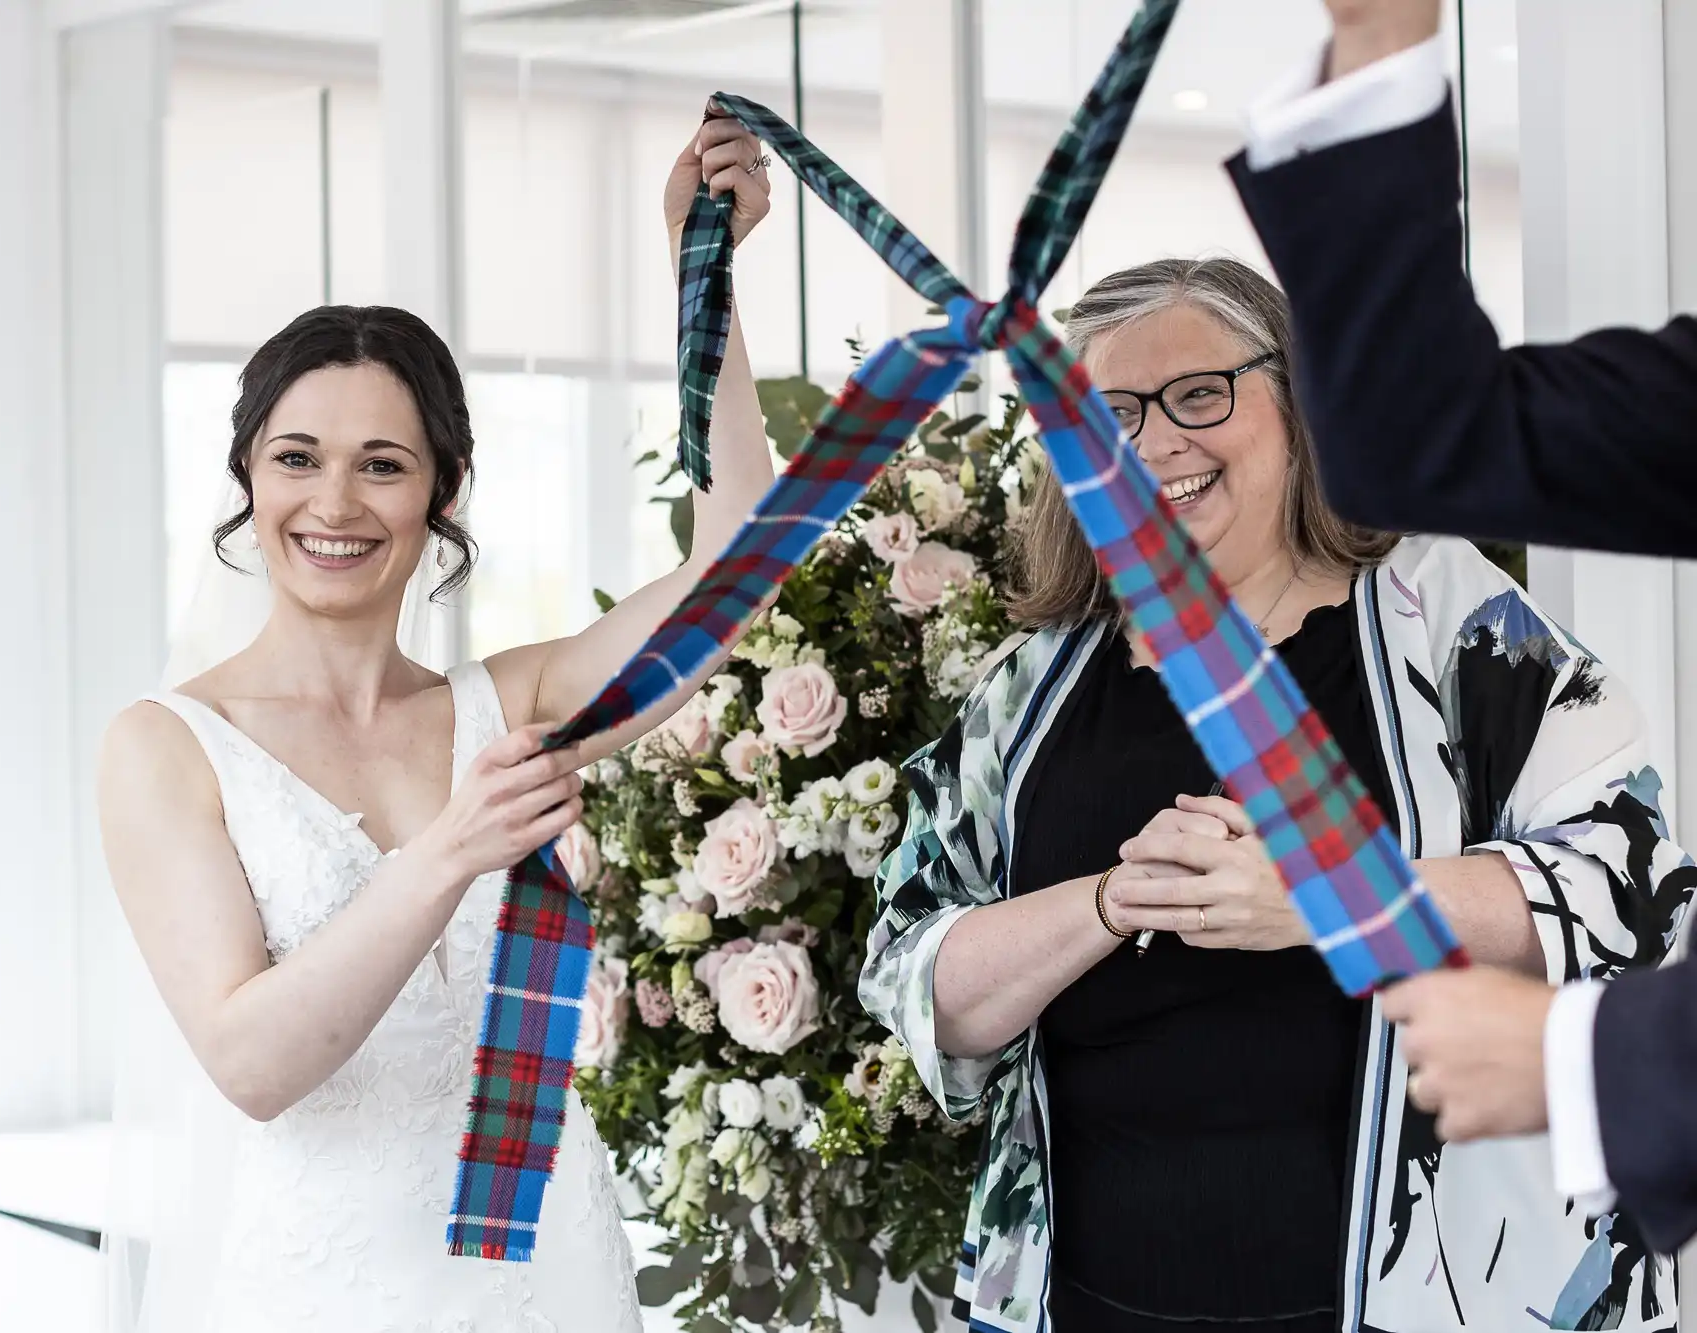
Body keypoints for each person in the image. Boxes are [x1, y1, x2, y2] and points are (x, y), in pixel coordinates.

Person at [858, 257, 1688, 1332]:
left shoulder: (1447, 621)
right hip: (1097, 1302)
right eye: (1109, 414)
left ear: (1297, 399)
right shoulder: (1032, 687)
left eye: (1198, 394)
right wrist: (1111, 900)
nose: (1154, 444)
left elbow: (1634, 881)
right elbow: (916, 971)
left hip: (1436, 1300)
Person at [95, 114, 774, 1333]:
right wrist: (449, 852)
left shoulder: (510, 710)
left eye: (383, 464)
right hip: (318, 1290)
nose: (334, 502)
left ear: (441, 491)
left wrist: (703, 280)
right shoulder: (165, 748)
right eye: (297, 458)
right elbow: (252, 1066)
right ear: (248, 476)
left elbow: (739, 573)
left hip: (543, 1275)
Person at [1228, 0, 1697, 1257]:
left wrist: (1602, 1057)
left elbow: (1630, 865)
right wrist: (1379, 39)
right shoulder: (1038, 675)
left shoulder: (1476, 635)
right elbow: (1418, 440)